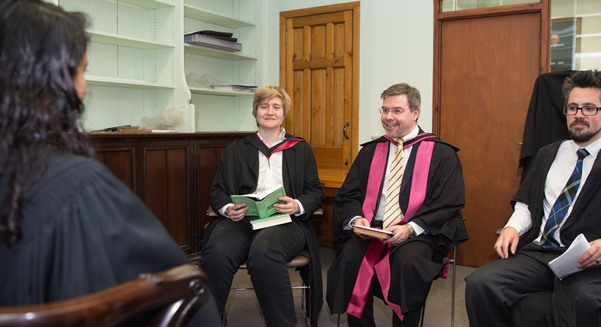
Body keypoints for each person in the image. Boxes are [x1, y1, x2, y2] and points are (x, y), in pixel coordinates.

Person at [0, 1, 221, 326]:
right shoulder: (75, 187)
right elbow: (188, 294)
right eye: (81, 70)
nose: (83, 86)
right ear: (51, 82)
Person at [465, 70, 601, 327]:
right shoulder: (547, 154)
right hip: (541, 254)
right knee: (481, 284)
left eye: (590, 108)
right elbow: (527, 205)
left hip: (594, 264)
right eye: (573, 107)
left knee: (581, 300)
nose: (579, 114)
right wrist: (513, 226)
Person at [326, 82, 468, 326]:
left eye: (396, 111)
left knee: (407, 263)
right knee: (350, 259)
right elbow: (348, 195)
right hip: (373, 228)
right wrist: (355, 219)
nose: (388, 117)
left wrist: (411, 228)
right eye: (384, 110)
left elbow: (448, 203)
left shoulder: (442, 154)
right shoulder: (371, 151)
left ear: (415, 112)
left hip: (417, 231)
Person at [198, 86, 324, 327]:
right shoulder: (236, 149)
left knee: (264, 252)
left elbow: (315, 190)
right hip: (242, 220)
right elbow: (217, 190)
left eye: (276, 107)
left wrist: (296, 204)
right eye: (264, 106)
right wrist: (227, 208)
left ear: (284, 113)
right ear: (255, 112)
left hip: (284, 221)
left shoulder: (300, 149)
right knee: (217, 252)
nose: (270, 112)